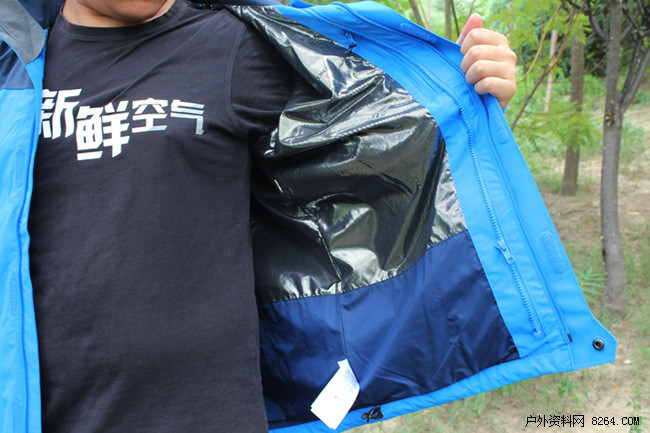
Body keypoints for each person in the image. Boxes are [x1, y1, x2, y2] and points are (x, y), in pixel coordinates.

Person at [26, 0, 517, 432]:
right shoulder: (17, 69)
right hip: (41, 413)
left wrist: (461, 85)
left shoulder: (229, 43)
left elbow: (386, 127)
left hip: (209, 415)